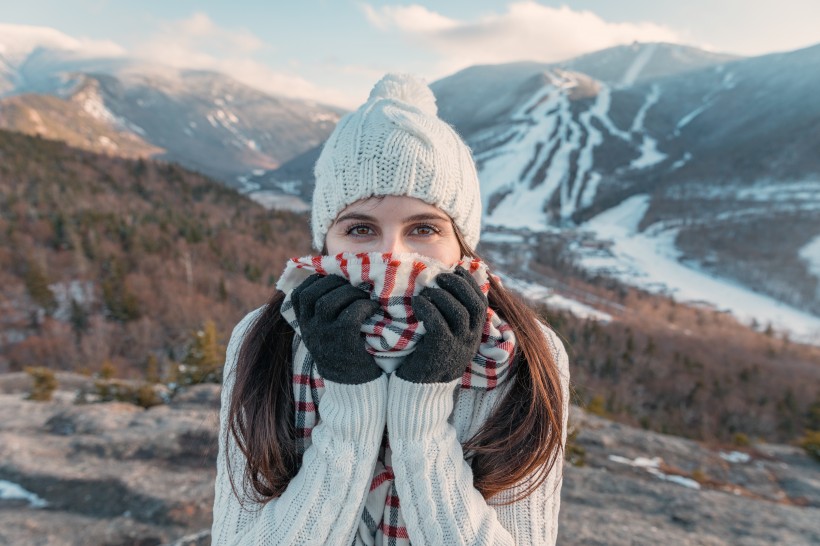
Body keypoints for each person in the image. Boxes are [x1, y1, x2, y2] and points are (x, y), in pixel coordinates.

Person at [211, 73, 570, 545]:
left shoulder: (520, 351)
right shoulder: (269, 338)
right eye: (360, 229)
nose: (394, 255)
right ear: (327, 239)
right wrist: (350, 401)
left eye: (424, 228)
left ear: (461, 242)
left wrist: (420, 412)